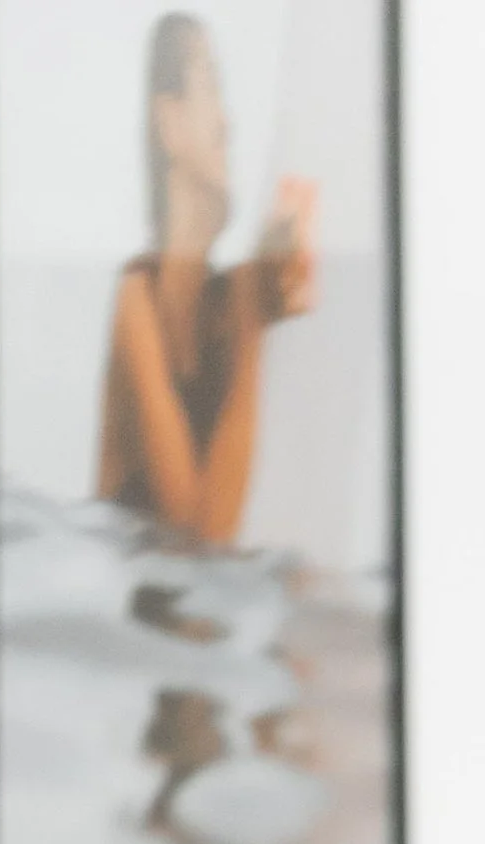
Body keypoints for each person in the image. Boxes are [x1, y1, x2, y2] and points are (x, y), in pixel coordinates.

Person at [97, 14, 316, 548]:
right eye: (212, 88)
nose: (229, 122)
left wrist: (283, 279)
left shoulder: (226, 295)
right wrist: (250, 324)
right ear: (169, 123)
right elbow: (206, 534)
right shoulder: (137, 299)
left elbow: (289, 286)